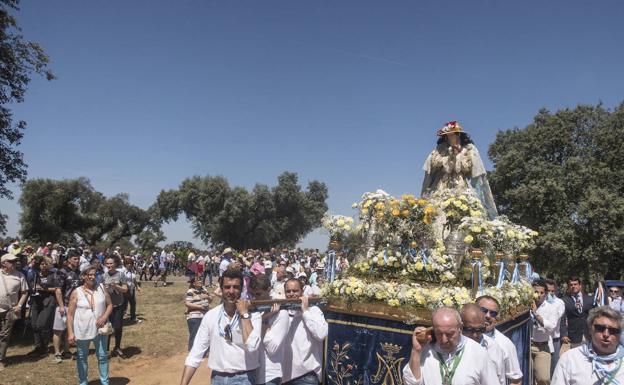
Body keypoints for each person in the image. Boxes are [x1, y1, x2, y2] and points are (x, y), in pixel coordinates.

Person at [180, 267, 261, 385]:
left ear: (242, 289)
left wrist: (244, 314)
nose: (231, 291)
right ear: (221, 289)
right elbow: (196, 352)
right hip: (217, 378)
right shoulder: (211, 316)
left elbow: (252, 346)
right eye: (227, 287)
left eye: (236, 287)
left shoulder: (253, 315)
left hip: (245, 378)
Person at [402, 307, 499, 385]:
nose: (444, 340)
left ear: (460, 328)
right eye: (439, 333)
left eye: (450, 334)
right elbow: (410, 382)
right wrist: (416, 351)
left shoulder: (478, 353)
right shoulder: (426, 350)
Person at [421, 121, 497, 218]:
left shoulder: (468, 149)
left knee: (461, 206)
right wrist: (448, 157)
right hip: (442, 183)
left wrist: (458, 154)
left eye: (452, 135)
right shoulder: (440, 149)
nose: (450, 138)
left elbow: (469, 167)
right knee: (439, 208)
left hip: (460, 182)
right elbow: (433, 163)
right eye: (448, 136)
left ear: (458, 135)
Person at [552, 306, 624, 384]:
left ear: (620, 333)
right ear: (590, 329)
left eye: (613, 330)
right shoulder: (570, 359)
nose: (606, 334)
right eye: (600, 328)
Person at [66, 266, 113, 385]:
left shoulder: (101, 288)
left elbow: (110, 305)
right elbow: (70, 315)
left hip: (100, 330)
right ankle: (83, 382)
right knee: (82, 358)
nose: (92, 277)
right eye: (89, 275)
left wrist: (104, 317)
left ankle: (105, 382)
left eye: (94, 274)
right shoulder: (76, 292)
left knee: (102, 357)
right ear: (83, 276)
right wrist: (70, 333)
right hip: (82, 330)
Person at [282, 278, 328, 385]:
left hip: (306, 375)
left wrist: (305, 312)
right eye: (288, 291)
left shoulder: (314, 310)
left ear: (302, 291)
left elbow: (321, 334)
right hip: (284, 376)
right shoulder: (282, 312)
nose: (292, 294)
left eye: (295, 291)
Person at [248, 274, 289, 385]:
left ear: (269, 290)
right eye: (252, 294)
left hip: (270, 375)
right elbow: (246, 340)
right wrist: (263, 318)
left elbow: (273, 348)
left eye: (258, 294)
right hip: (252, 373)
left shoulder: (282, 314)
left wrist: (262, 329)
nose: (255, 298)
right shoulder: (255, 310)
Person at [475, 295, 523, 385]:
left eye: (493, 313)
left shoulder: (505, 344)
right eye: (483, 310)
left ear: (497, 317)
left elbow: (516, 380)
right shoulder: (460, 339)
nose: (488, 316)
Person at [460, 304, 506, 385]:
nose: (475, 335)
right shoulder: (450, 347)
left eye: (479, 330)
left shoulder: (493, 347)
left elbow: (501, 380)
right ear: (460, 326)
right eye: (469, 329)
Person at [0, 253, 29, 371]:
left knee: (4, 335)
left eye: (15, 261)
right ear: (3, 263)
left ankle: (0, 360)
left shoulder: (20, 275)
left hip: (10, 310)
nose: (14, 263)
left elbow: (25, 292)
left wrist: (19, 305)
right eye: (11, 261)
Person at [53, 249, 81, 363]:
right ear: (69, 259)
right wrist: (60, 306)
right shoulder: (62, 272)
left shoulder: (78, 272)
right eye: (75, 259)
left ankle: (66, 350)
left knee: (70, 330)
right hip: (63, 305)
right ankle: (57, 353)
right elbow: (58, 290)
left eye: (78, 258)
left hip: (75, 306)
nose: (77, 261)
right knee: (58, 330)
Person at [26, 256, 59, 356]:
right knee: (34, 325)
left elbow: (57, 288)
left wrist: (44, 289)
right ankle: (38, 347)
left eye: (45, 264)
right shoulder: (35, 274)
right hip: (36, 301)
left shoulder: (53, 275)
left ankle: (44, 348)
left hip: (49, 301)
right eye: (41, 264)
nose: (43, 266)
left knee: (41, 324)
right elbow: (30, 285)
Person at [530, 279, 559, 385]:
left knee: (543, 379)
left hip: (542, 347)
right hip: (527, 347)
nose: (538, 295)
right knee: (527, 378)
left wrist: (536, 315)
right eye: (536, 292)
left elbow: (551, 327)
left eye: (541, 293)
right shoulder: (524, 307)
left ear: (546, 294)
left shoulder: (551, 308)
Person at [103, 256, 129, 358]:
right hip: (107, 306)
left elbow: (125, 289)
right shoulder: (103, 275)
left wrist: (116, 286)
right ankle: (106, 349)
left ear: (115, 264)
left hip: (118, 305)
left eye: (111, 263)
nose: (109, 266)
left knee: (117, 327)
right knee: (107, 328)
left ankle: (117, 347)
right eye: (107, 264)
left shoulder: (121, 274)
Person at [561, 276, 595, 351]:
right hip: (574, 335)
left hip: (589, 333)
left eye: (575, 284)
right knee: (576, 358)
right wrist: (563, 334)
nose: (573, 286)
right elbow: (562, 318)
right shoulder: (564, 300)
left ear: (580, 285)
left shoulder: (590, 299)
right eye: (571, 285)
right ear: (569, 286)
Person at [545, 279, 566, 376]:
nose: (550, 293)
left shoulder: (559, 302)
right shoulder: (540, 302)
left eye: (552, 291)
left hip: (554, 339)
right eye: (548, 291)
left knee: (554, 367)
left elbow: (555, 319)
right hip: (542, 340)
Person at [185, 276, 212, 351]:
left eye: (201, 280)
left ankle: (204, 351)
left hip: (205, 316)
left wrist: (209, 297)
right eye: (198, 280)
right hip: (194, 316)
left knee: (205, 334)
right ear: (194, 283)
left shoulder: (204, 289)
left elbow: (210, 300)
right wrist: (200, 307)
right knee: (195, 334)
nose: (200, 281)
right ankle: (192, 352)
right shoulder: (190, 291)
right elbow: (187, 303)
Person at [121, 259, 141, 323]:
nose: (129, 264)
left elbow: (134, 279)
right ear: (125, 264)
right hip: (125, 290)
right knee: (123, 305)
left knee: (133, 304)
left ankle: (133, 317)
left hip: (132, 290)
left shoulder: (132, 270)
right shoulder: (122, 271)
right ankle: (120, 318)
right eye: (127, 263)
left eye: (130, 263)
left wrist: (137, 286)